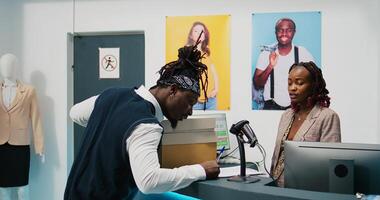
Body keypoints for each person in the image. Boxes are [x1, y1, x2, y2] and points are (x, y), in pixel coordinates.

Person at [64, 44, 220, 200]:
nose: (190, 111)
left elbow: (75, 113)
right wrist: (201, 170)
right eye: (190, 102)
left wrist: (111, 130)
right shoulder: (146, 125)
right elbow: (149, 181)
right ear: (173, 90)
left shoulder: (111, 95)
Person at [270, 61, 341, 187]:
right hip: (276, 188)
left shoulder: (327, 117)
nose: (292, 88)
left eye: (299, 83)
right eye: (289, 83)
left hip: (306, 190)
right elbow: (277, 155)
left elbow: (330, 164)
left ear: (313, 86)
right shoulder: (286, 115)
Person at [0, 53, 44, 200]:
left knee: (22, 186)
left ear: (17, 67)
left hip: (20, 145)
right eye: (4, 64)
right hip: (0, 145)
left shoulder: (29, 91)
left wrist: (40, 147)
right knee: (3, 186)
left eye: (11, 64)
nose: (7, 68)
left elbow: (36, 120)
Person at [253, 18, 315, 110]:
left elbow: (315, 81)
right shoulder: (265, 54)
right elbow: (257, 84)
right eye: (280, 30)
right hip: (271, 107)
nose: (284, 33)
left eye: (289, 30)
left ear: (294, 32)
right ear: (275, 32)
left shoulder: (303, 53)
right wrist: (270, 66)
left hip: (297, 107)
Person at [186, 21, 219, 110]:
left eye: (202, 31)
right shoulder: (187, 53)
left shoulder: (207, 52)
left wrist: (216, 89)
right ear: (191, 35)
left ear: (205, 36)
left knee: (212, 124)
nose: (199, 33)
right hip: (195, 101)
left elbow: (213, 72)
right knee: (194, 124)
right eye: (196, 31)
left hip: (211, 100)